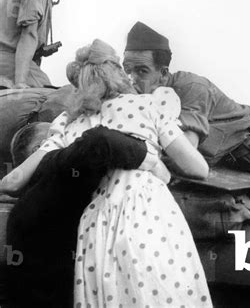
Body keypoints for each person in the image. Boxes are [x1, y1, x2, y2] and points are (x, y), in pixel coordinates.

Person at [20, 39, 211, 307]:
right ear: (118, 73)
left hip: (96, 223)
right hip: (147, 213)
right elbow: (198, 168)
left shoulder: (72, 122)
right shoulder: (147, 105)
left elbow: (20, 178)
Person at [123, 21, 250, 212]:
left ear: (163, 73)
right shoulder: (147, 100)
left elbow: (187, 153)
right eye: (127, 70)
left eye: (142, 71)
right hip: (228, 166)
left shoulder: (190, 87)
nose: (131, 79)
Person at [5, 122, 155, 308]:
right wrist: (154, 160)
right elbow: (101, 140)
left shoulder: (29, 202)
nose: (73, 134)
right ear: (41, 147)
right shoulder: (56, 168)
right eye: (61, 134)